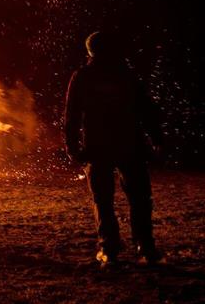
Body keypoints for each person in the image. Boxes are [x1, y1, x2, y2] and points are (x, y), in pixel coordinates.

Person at [64, 31, 163, 266]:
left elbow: (72, 115)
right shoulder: (126, 75)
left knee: (103, 199)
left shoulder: (83, 76)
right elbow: (145, 109)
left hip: (97, 146)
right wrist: (157, 137)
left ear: (90, 51)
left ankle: (109, 249)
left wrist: (72, 145)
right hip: (130, 144)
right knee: (139, 198)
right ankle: (145, 247)